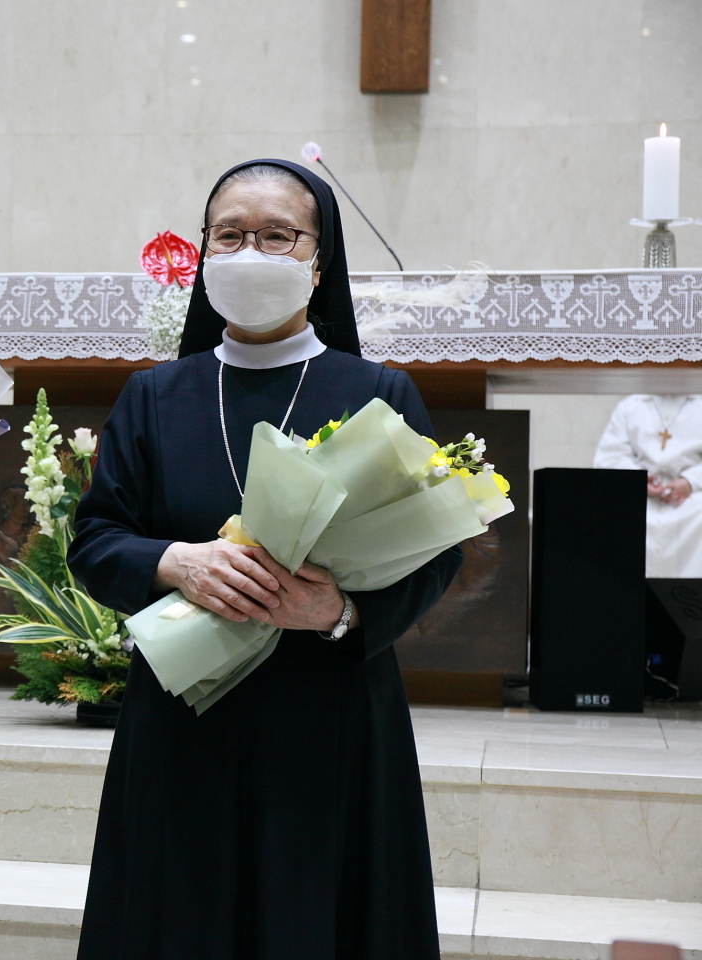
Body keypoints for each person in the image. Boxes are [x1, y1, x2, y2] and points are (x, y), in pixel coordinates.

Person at [68, 159, 463, 959]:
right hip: (184, 720)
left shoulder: (380, 393)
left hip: (329, 714)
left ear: (318, 262)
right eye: (230, 235)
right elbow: (96, 542)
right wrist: (176, 562)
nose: (250, 253)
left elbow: (435, 556)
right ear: (204, 253)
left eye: (278, 235)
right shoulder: (154, 396)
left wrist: (340, 612)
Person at [595, 394, 702, 577]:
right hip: (638, 495)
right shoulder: (631, 405)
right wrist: (638, 479)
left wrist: (690, 481)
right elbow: (610, 456)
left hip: (692, 499)